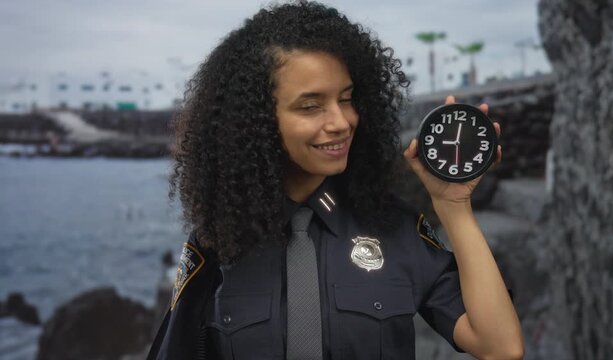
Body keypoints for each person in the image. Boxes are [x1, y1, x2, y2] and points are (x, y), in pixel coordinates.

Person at [147, 1, 524, 359]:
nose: (341, 122)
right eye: (311, 106)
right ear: (256, 120)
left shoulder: (396, 230)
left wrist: (453, 205)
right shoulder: (218, 242)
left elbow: (500, 347)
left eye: (346, 99)